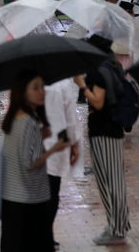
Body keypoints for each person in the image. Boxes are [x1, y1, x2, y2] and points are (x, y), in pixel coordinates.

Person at [1, 71, 69, 252]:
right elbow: (29, 163)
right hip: (28, 201)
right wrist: (55, 149)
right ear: (23, 92)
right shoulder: (28, 122)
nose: (42, 92)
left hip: (13, 198)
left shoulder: (15, 118)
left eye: (42, 87)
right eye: (36, 88)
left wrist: (40, 136)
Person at [75, 34, 130, 246]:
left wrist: (81, 84)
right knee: (114, 179)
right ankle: (119, 224)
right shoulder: (114, 66)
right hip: (112, 129)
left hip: (104, 130)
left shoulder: (98, 70)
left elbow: (97, 102)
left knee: (109, 181)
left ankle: (116, 229)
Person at [44, 78, 81, 249]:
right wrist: (74, 143)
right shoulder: (63, 85)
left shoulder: (25, 80)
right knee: (52, 193)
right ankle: (46, 235)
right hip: (55, 147)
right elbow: (71, 120)